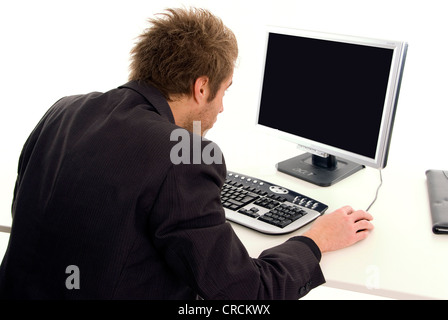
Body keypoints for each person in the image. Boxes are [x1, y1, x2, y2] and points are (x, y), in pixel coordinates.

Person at [0, 7, 373, 299]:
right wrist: (314, 242)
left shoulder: (64, 110)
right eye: (225, 91)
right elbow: (244, 294)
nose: (223, 108)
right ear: (201, 87)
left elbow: (30, 212)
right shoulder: (186, 156)